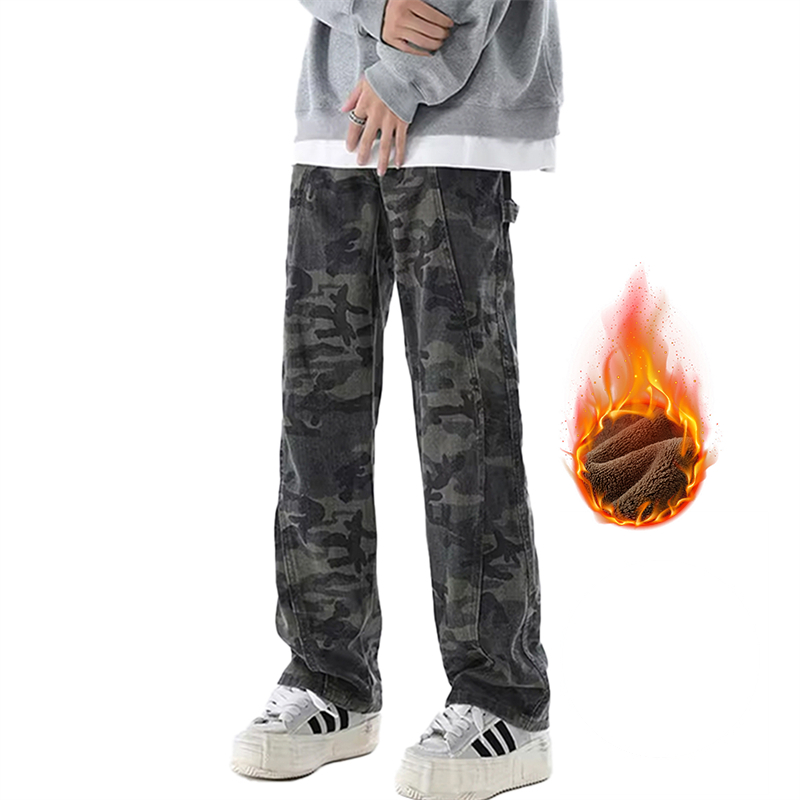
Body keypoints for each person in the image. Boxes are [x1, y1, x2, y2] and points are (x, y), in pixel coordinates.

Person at [231, 1, 563, 797]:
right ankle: (329, 679)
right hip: (337, 118)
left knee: (463, 417)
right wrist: (369, 9)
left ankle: (504, 698)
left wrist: (406, 75)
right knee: (317, 412)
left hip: (455, 117)